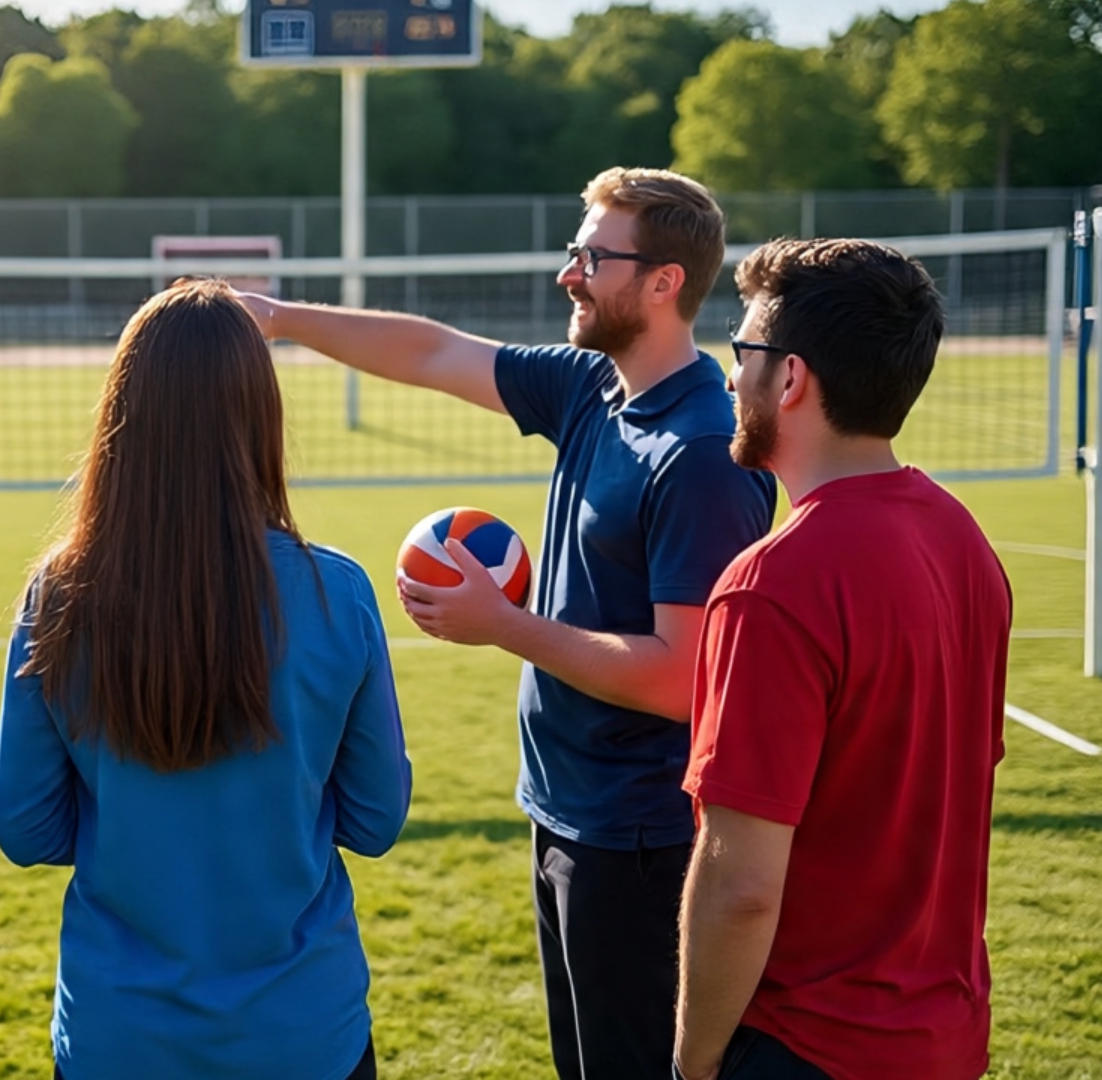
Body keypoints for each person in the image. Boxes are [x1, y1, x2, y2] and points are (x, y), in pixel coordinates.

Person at [235, 166, 777, 1080]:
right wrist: (279, 318)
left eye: (592, 257)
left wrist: (506, 625)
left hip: (637, 838)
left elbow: (685, 682)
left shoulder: (699, 453)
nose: (568, 273)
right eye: (575, 250)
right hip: (564, 807)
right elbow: (435, 353)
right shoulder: (589, 390)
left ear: (663, 281)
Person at [0, 279, 413, 1080]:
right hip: (302, 1035)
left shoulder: (59, 592)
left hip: (120, 1039)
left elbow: (27, 829)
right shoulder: (337, 592)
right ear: (261, 415)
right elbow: (376, 817)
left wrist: (140, 816)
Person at [674, 239, 1011, 1080]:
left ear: (789, 380)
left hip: (810, 1048)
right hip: (945, 1036)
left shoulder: (770, 587)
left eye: (742, 353)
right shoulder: (962, 538)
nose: (727, 377)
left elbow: (740, 885)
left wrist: (692, 1063)